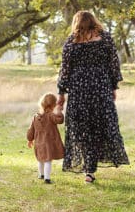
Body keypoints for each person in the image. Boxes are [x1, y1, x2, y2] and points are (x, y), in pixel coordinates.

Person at [57, 10, 129, 183]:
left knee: (80, 128)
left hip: (78, 89)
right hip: (100, 87)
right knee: (99, 126)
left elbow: (65, 70)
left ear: (76, 23)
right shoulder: (105, 39)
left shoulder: (71, 41)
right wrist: (113, 87)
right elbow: (113, 64)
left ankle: (88, 168)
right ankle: (91, 167)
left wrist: (61, 93)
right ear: (94, 21)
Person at [26, 92, 64, 184]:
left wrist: (30, 139)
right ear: (53, 105)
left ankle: (41, 174)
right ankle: (47, 178)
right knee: (48, 160)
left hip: (38, 143)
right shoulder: (51, 116)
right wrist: (59, 112)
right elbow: (60, 120)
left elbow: (31, 130)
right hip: (48, 143)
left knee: (40, 159)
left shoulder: (36, 117)